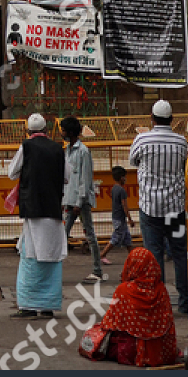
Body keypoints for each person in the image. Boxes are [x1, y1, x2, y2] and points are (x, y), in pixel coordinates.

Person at [128, 99, 188, 315]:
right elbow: (184, 166)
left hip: (149, 209)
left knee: (154, 256)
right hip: (175, 210)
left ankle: (158, 304)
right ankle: (184, 303)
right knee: (180, 254)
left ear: (151, 119)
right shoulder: (181, 142)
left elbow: (132, 161)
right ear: (172, 119)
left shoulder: (142, 139)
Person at [6, 113, 68, 317]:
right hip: (52, 210)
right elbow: (67, 176)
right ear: (47, 130)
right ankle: (48, 305)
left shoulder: (26, 147)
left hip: (32, 211)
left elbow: (11, 172)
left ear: (28, 131)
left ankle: (29, 306)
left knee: (30, 257)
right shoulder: (58, 149)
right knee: (51, 256)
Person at [96, 247, 180, 367]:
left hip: (130, 351)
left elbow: (110, 323)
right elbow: (168, 325)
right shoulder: (161, 290)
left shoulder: (124, 290)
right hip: (160, 352)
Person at [61, 114, 105, 282]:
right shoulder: (67, 151)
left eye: (64, 130)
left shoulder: (83, 152)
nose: (62, 133)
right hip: (69, 200)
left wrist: (80, 201)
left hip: (80, 202)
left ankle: (97, 270)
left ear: (70, 132)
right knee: (62, 235)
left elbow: (85, 179)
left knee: (90, 234)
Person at [101, 165, 134, 263]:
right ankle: (102, 255)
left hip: (116, 217)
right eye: (125, 177)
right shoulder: (122, 191)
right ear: (121, 178)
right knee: (116, 238)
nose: (126, 179)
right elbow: (125, 206)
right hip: (120, 218)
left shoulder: (114, 189)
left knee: (127, 238)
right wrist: (130, 219)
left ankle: (133, 257)